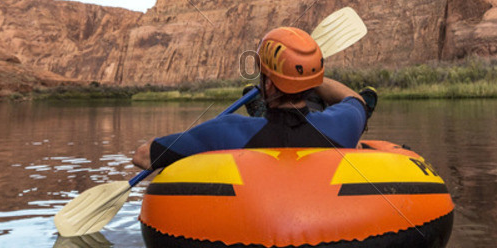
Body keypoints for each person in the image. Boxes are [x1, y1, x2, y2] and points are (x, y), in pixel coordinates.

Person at [130, 26, 377, 174]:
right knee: (366, 100)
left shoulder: (225, 130)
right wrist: (308, 77)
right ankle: (310, 97)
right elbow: (354, 100)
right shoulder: (342, 123)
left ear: (267, 84)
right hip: (322, 128)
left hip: (261, 134)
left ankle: (262, 109)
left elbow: (143, 156)